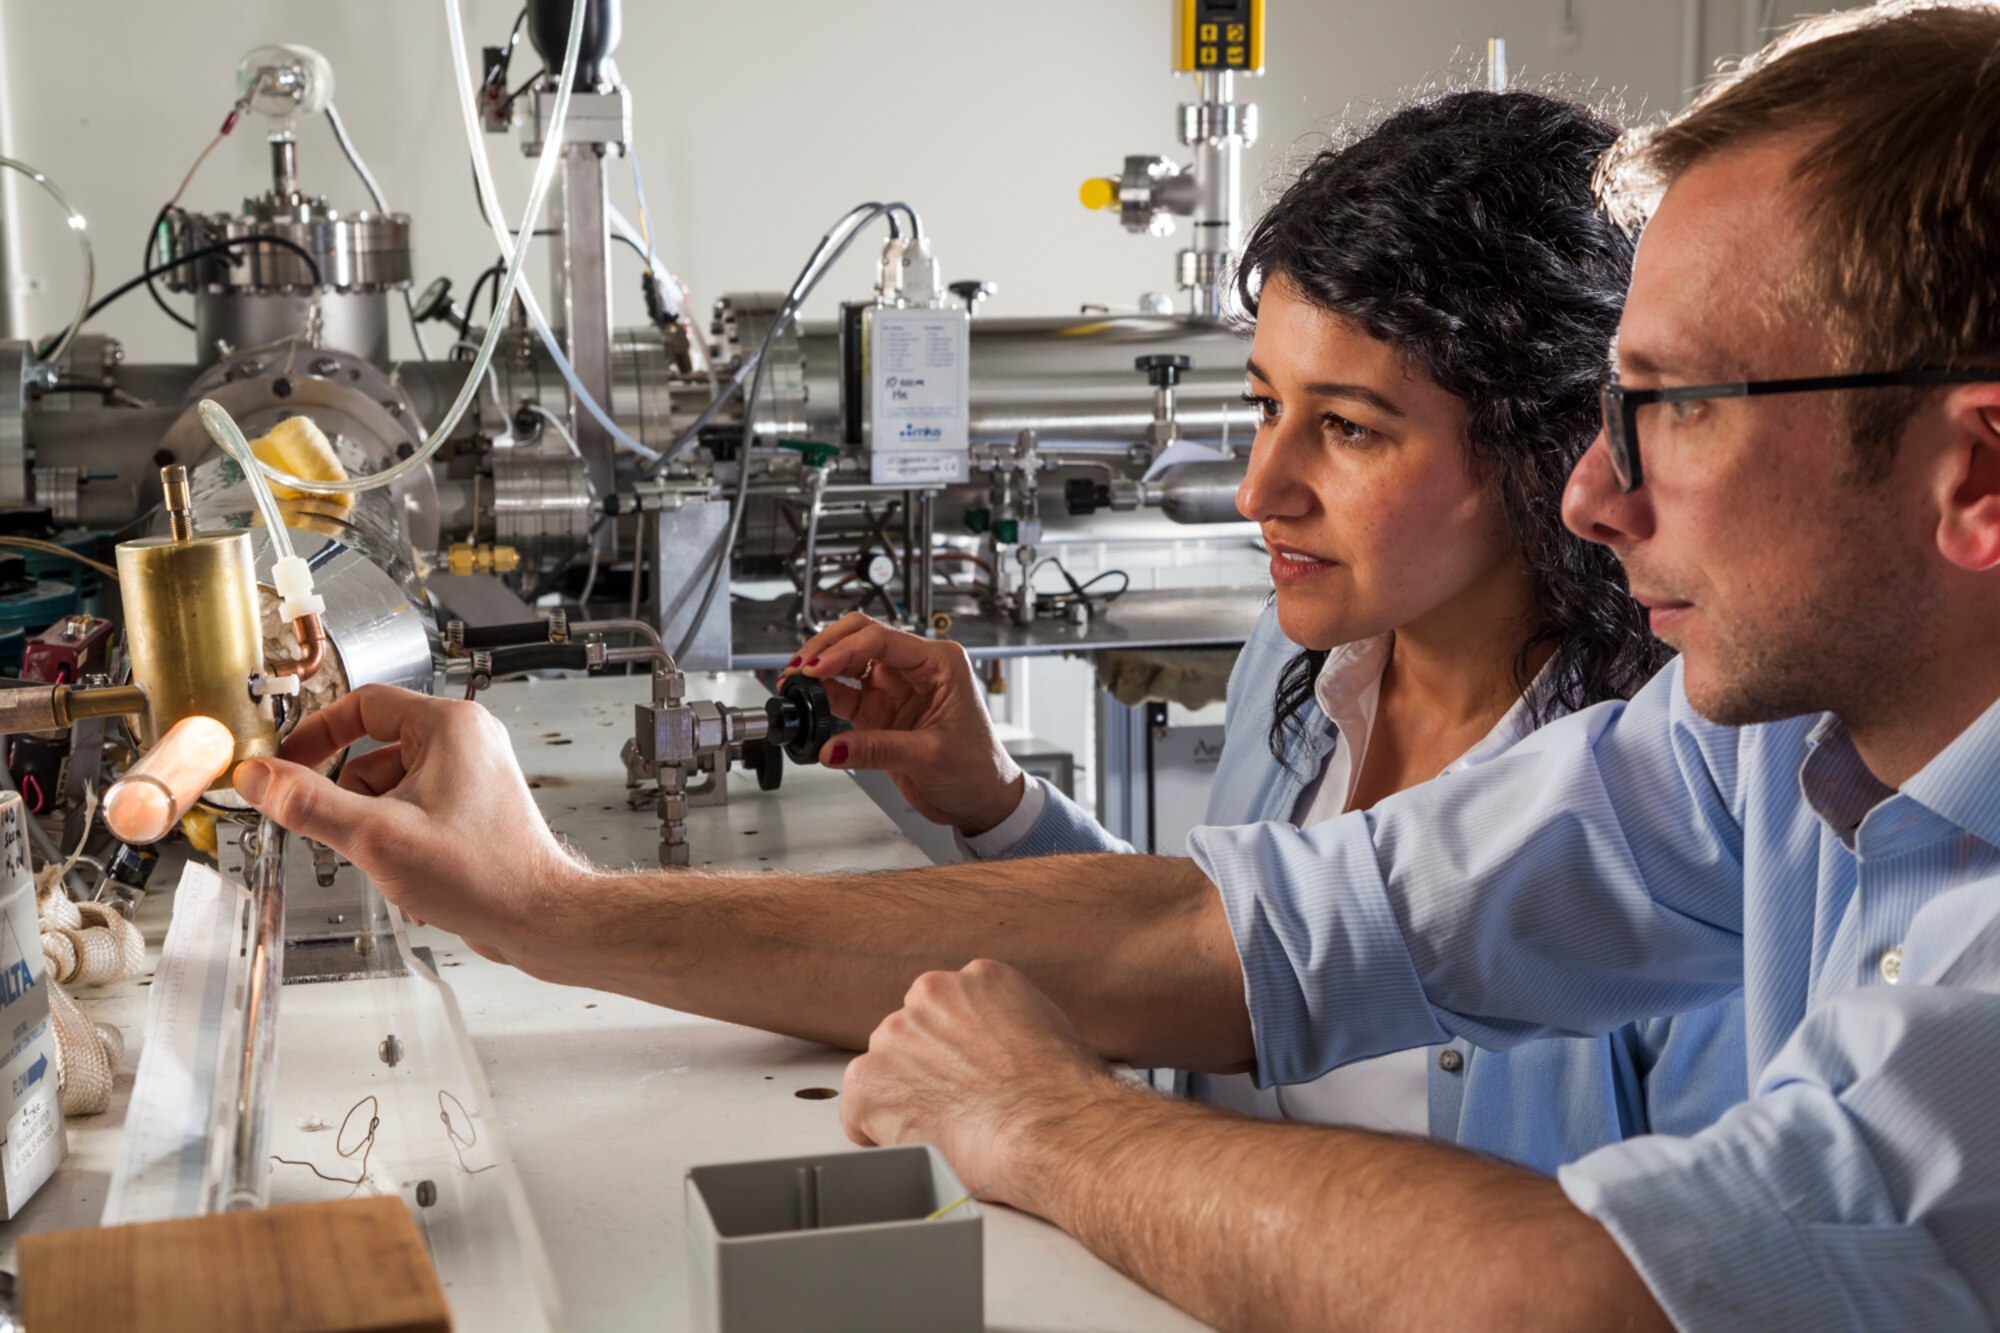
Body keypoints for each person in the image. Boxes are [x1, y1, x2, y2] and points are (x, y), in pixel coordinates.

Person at [233, 4, 2000, 1327]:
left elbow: (1596, 1291)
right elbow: (1232, 932)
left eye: (1679, 408)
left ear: (1975, 474)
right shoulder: (1765, 752)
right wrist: (544, 906)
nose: (1603, 490)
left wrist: (1049, 1123)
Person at [784, 88, 1742, 1174]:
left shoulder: (1678, 813)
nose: (1257, 489)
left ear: (1544, 447)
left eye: (1345, 428)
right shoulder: (1298, 663)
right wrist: (996, 807)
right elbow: (1221, 959)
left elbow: (1684, 1266)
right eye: (1261, 407)